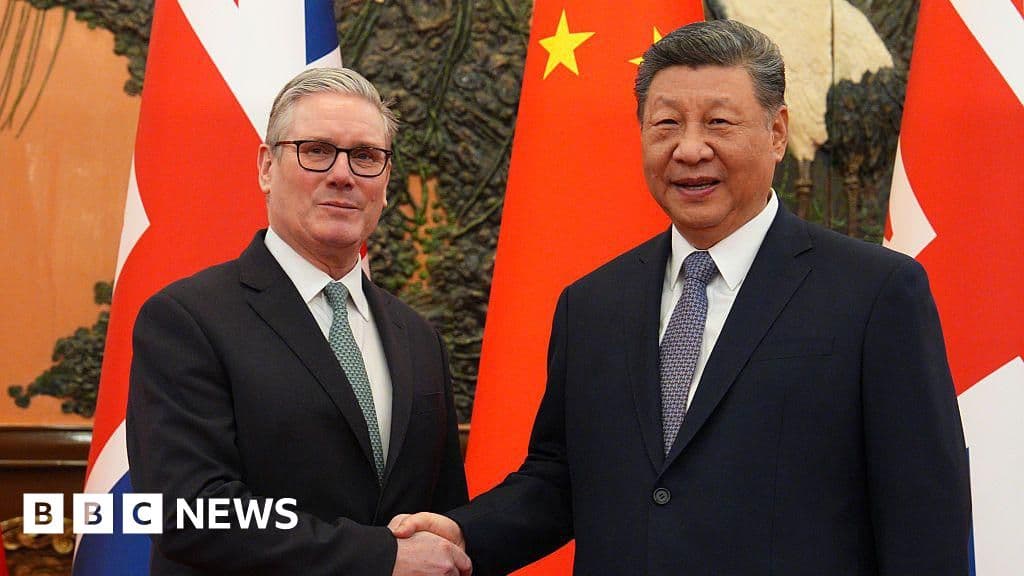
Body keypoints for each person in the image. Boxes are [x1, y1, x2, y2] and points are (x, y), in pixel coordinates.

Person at [391, 19, 972, 575]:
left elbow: (922, 515)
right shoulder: (592, 304)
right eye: (667, 124)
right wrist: (466, 534)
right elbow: (561, 476)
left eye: (719, 122)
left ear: (776, 133)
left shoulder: (874, 293)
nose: (690, 149)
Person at [127, 67, 470, 576]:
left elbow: (442, 517)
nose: (343, 175)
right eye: (316, 150)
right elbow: (190, 513)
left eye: (365, 156)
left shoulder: (418, 338)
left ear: (385, 182)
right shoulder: (187, 320)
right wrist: (380, 557)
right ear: (267, 167)